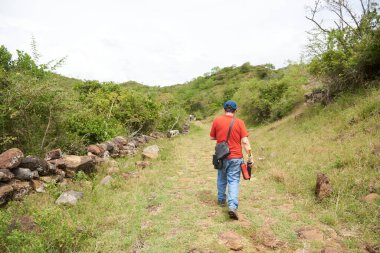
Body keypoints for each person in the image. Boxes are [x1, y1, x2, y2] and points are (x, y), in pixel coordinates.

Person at [210, 100, 253, 220]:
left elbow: (212, 136)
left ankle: (221, 200)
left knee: (221, 177)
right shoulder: (240, 122)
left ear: (224, 109)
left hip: (221, 156)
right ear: (236, 110)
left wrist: (221, 137)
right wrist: (250, 155)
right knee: (233, 180)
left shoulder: (217, 120)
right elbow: (245, 141)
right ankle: (232, 206)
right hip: (236, 158)